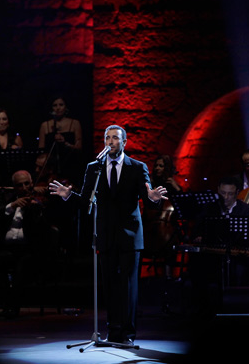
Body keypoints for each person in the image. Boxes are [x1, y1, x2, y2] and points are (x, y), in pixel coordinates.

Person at [49, 125, 168, 346]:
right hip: (104, 233)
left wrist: (152, 196)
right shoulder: (94, 167)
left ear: (124, 142)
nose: (110, 141)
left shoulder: (137, 167)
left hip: (130, 235)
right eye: (107, 138)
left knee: (129, 285)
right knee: (110, 284)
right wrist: (69, 195)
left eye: (115, 138)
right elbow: (87, 200)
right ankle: (113, 333)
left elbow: (146, 193)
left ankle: (128, 334)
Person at [0, 170, 53, 318]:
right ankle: (1, 302)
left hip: (29, 249)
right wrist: (12, 206)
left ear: (32, 183)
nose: (24, 188)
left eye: (27, 184)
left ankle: (13, 307)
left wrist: (36, 210)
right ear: (14, 187)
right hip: (8, 248)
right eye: (19, 185)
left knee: (22, 267)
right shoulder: (8, 200)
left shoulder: (39, 203)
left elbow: (45, 232)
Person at [189, 176, 249, 307]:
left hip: (236, 257)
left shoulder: (245, 209)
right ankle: (204, 308)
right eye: (222, 193)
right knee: (199, 268)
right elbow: (196, 232)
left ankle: (236, 306)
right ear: (218, 191)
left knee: (240, 270)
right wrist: (199, 237)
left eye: (230, 194)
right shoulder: (209, 208)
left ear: (237, 193)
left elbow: (248, 239)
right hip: (213, 256)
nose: (226, 197)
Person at [38, 97, 83, 184]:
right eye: (55, 105)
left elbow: (79, 147)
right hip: (51, 167)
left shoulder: (74, 123)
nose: (58, 108)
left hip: (70, 163)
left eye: (61, 105)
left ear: (66, 107)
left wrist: (65, 143)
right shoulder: (45, 125)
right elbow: (41, 149)